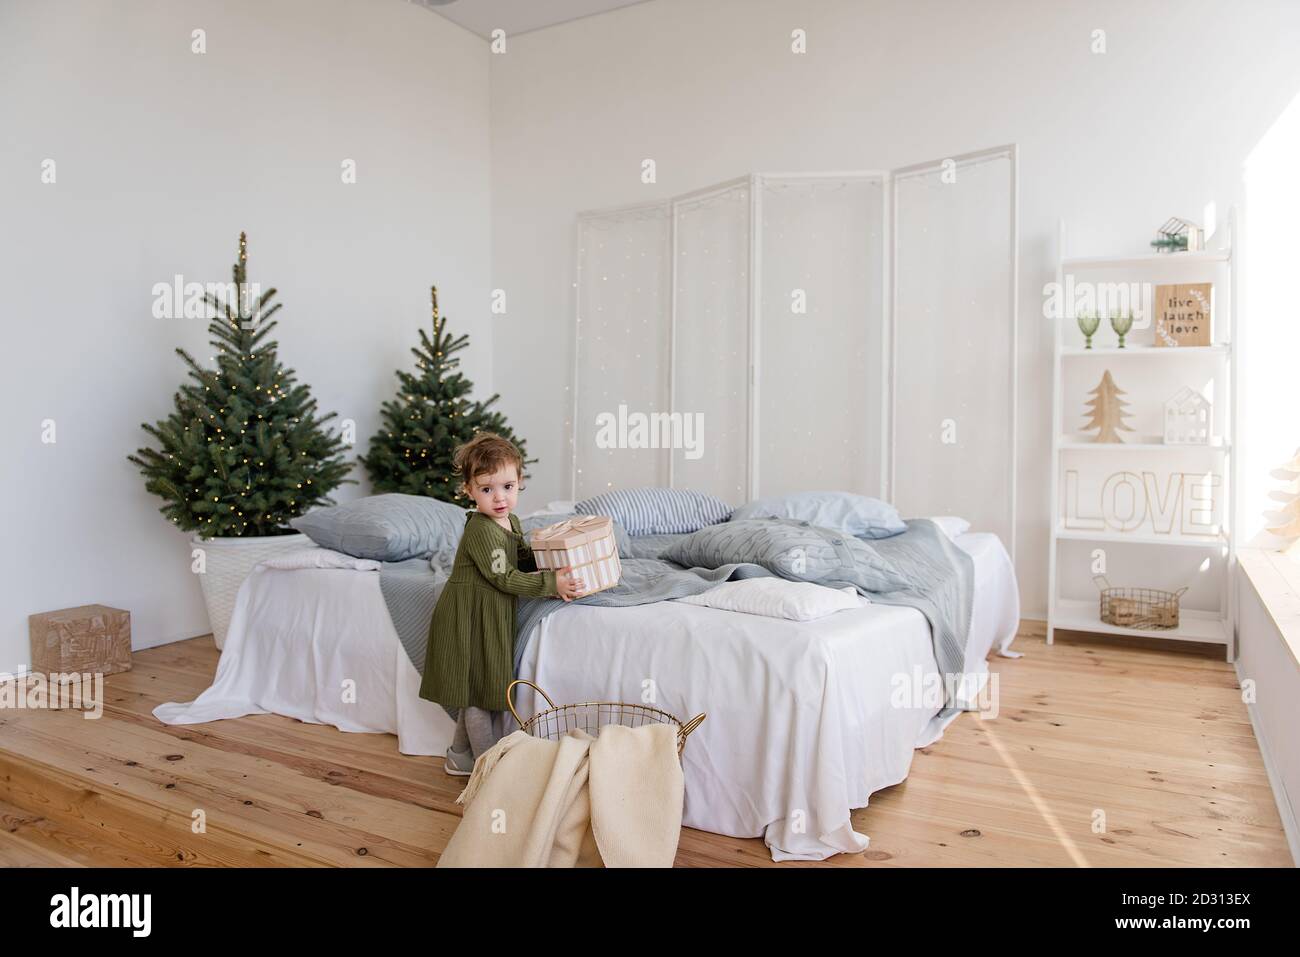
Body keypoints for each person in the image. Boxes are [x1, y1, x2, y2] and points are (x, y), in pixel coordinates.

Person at [418, 432, 583, 774]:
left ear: (519, 483)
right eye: (487, 489)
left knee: (483, 688)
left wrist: (547, 560)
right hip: (468, 617)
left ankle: (458, 755)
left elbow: (521, 558)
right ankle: (489, 770)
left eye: (507, 487)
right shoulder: (481, 529)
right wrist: (551, 583)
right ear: (469, 491)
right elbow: (504, 577)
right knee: (479, 696)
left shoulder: (510, 521)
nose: (499, 498)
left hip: (490, 615)